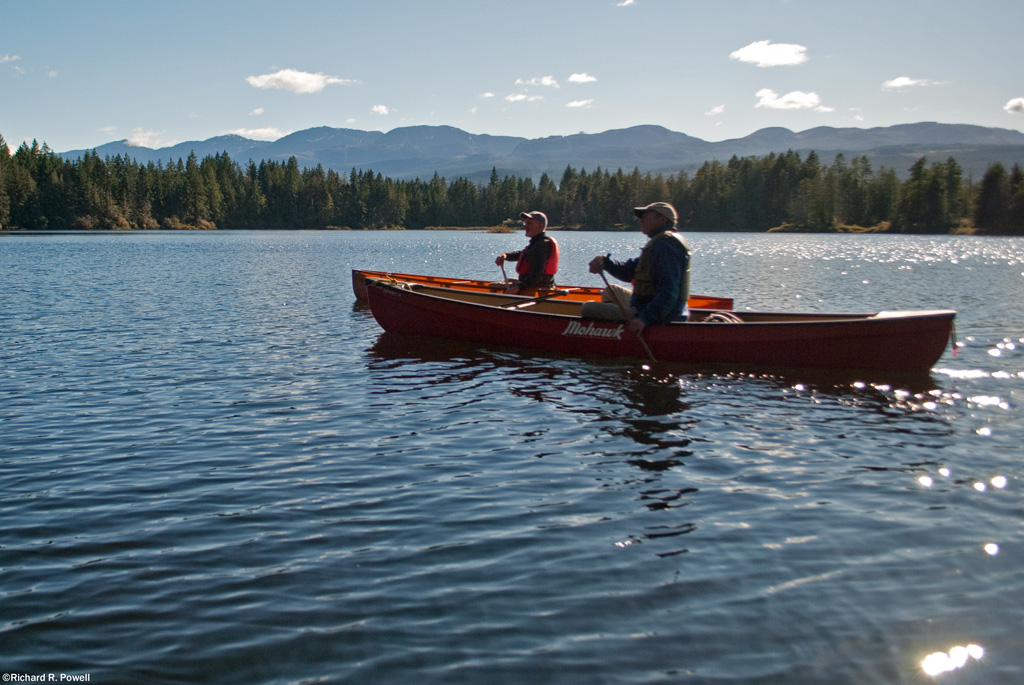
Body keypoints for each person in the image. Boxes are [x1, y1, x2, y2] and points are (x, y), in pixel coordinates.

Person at [583, 201, 690, 335]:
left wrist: (643, 319)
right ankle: (613, 332)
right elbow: (629, 271)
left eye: (646, 216)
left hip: (660, 315)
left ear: (662, 219)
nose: (641, 219)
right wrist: (605, 262)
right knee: (611, 291)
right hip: (647, 305)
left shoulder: (665, 247)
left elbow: (669, 293)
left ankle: (614, 335)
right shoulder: (660, 242)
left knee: (587, 308)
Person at [495, 211, 559, 294]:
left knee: (493, 287)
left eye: (529, 223)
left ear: (540, 226)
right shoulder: (539, 243)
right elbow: (524, 254)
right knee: (508, 281)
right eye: (525, 223)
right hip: (541, 286)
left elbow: (537, 276)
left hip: (536, 289)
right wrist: (506, 256)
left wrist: (518, 287)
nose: (526, 227)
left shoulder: (540, 246)